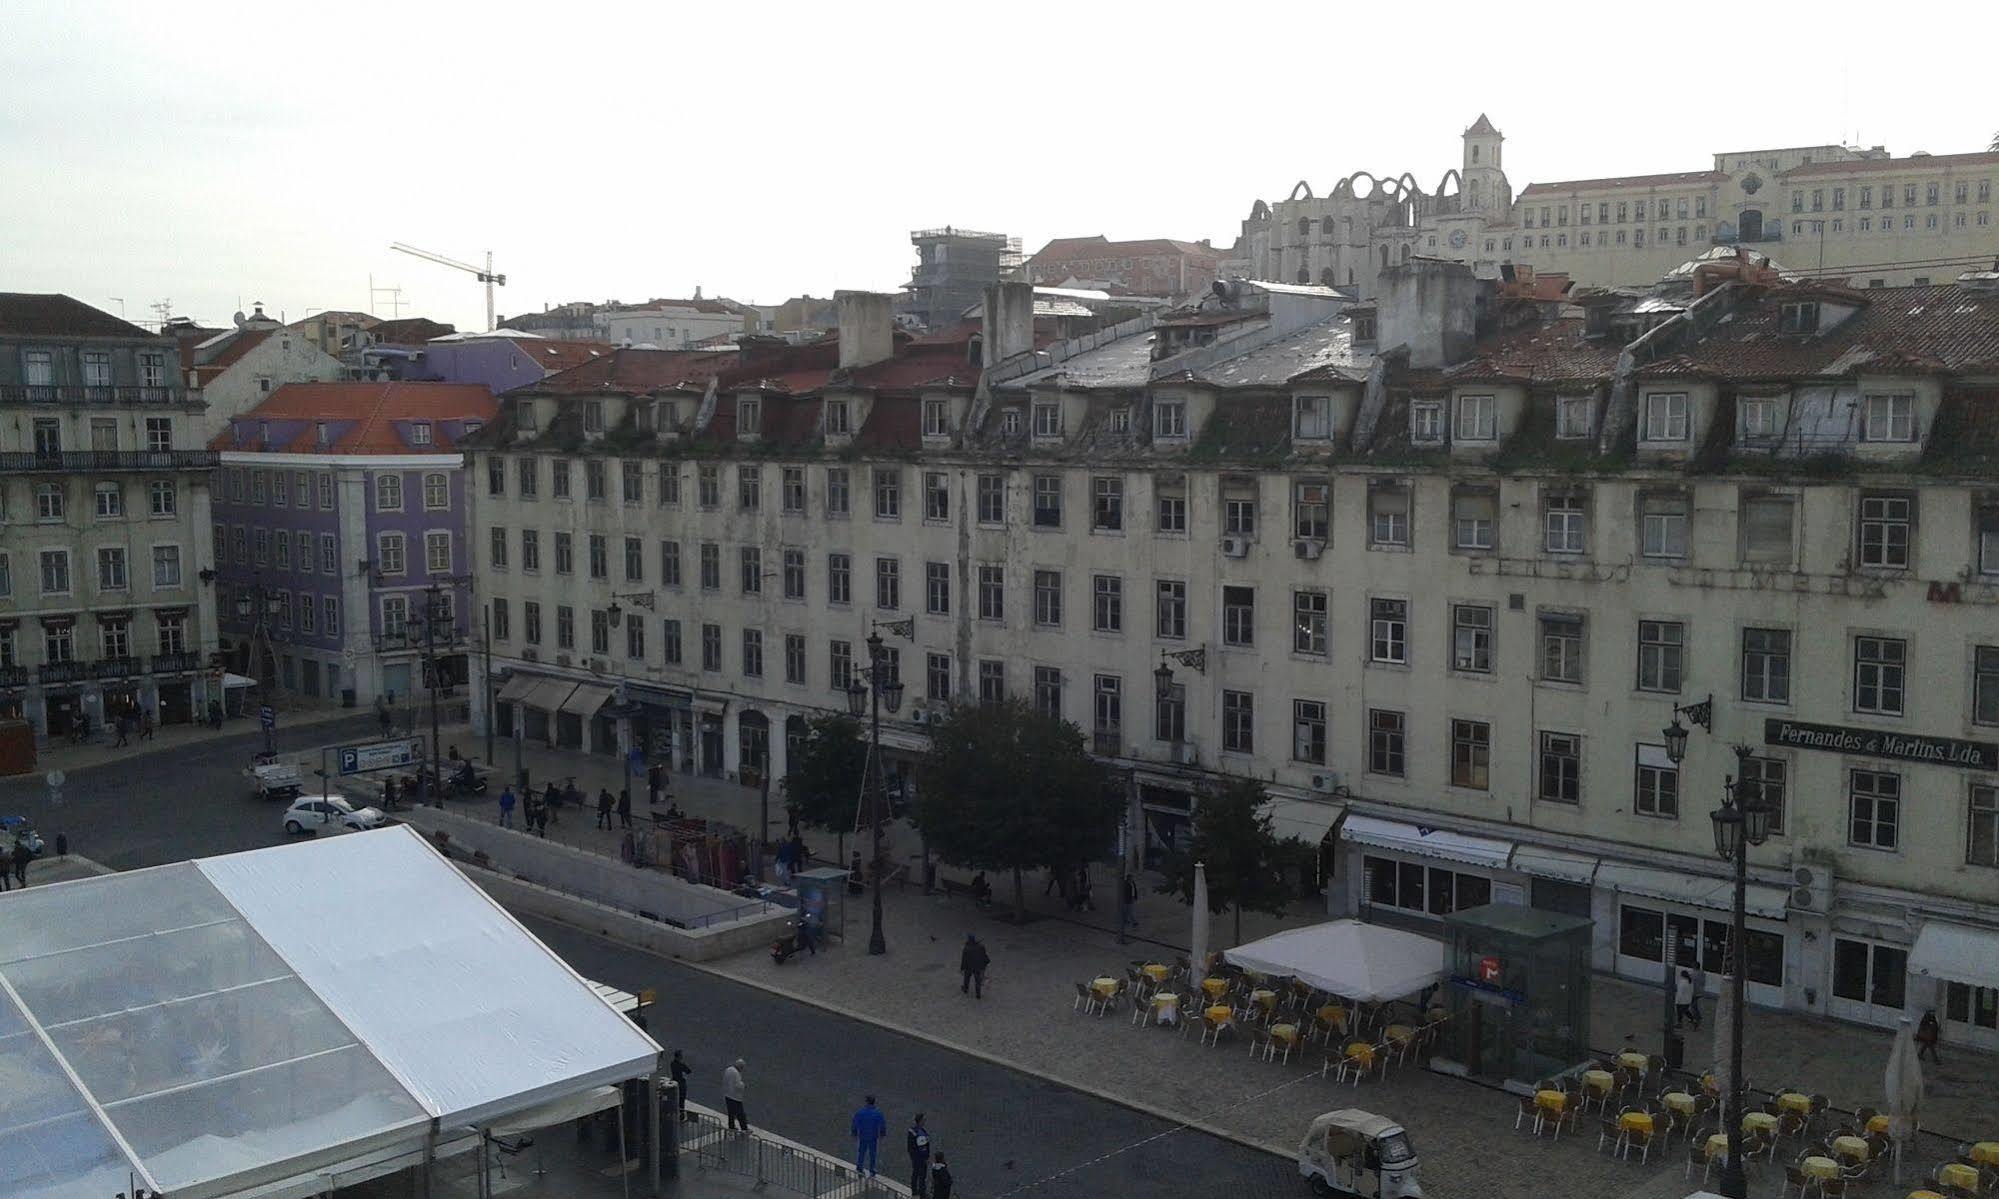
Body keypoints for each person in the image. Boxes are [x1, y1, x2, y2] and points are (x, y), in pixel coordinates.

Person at [851, 1095, 887, 1177]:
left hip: (863, 1135)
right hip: (873, 1136)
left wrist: (854, 1133)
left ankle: (859, 1167)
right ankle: (872, 1169)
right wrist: (882, 1134)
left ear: (866, 1102)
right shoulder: (878, 1113)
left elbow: (854, 1123)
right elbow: (882, 1125)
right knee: (873, 1153)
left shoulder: (860, 1112)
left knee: (861, 1152)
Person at [907, 1113, 932, 1197]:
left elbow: (910, 1146)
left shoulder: (912, 1130)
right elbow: (923, 1148)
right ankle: (922, 1193)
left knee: (915, 1173)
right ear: (920, 1121)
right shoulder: (920, 1132)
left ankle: (914, 1190)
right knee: (922, 1176)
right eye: (924, 1120)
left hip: (914, 1156)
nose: (925, 1121)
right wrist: (926, 1157)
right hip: (920, 1158)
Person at [960, 933, 990, 999]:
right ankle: (978, 995)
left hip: (969, 967)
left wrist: (962, 968)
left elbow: (964, 959)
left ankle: (965, 989)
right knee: (977, 981)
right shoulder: (981, 947)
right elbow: (984, 956)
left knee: (966, 978)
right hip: (978, 967)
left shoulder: (966, 948)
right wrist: (986, 962)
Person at [721, 1059, 748, 1132]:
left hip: (727, 1094)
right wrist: (743, 1085)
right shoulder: (736, 1073)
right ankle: (744, 1128)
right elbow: (737, 1085)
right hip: (735, 1097)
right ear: (740, 1067)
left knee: (731, 1113)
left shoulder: (728, 1069)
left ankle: (731, 1126)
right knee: (740, 1113)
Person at [668, 1050, 694, 1122]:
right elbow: (688, 1071)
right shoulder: (681, 1065)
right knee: (681, 1100)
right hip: (681, 1084)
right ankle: (681, 1116)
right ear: (679, 1057)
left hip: (674, 1081)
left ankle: (673, 1114)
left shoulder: (672, 1063)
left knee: (674, 1099)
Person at [1118, 872, 1139, 942]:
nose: (1132, 879)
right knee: (1129, 911)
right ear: (1128, 878)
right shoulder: (1126, 884)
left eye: (1132, 878)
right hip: (1127, 900)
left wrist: (1135, 897)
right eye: (1131, 878)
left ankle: (1128, 921)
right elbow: (1124, 892)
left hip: (1131, 899)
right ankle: (1133, 922)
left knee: (1129, 911)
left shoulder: (1132, 883)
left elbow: (1135, 890)